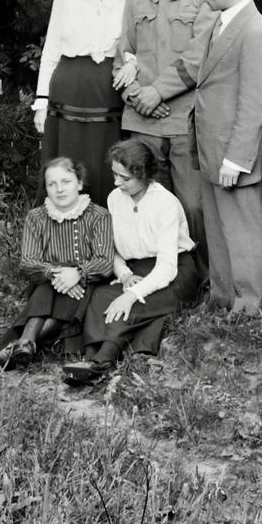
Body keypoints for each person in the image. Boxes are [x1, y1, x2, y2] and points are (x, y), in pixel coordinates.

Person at [111, 0, 211, 266]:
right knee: (148, 200)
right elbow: (122, 58)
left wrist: (158, 93)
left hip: (185, 119)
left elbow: (201, 58)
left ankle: (198, 274)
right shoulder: (135, 1)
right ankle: (158, 272)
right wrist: (137, 96)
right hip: (142, 121)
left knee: (193, 204)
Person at [62, 138, 201, 385]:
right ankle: (90, 360)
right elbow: (112, 247)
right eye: (115, 175)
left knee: (132, 303)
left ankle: (103, 359)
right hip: (136, 268)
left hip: (175, 270)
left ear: (144, 175)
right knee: (102, 296)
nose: (117, 183)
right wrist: (124, 274)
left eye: (124, 178)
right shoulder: (116, 198)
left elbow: (166, 268)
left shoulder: (165, 203)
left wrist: (132, 293)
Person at [188, 0, 262, 315]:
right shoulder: (221, 17)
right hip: (211, 144)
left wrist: (236, 159)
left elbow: (256, 103)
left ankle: (251, 304)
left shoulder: (255, 31)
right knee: (217, 225)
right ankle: (223, 297)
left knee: (242, 228)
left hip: (233, 151)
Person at [33, 0, 133, 205]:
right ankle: (60, 234)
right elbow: (51, 49)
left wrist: (132, 64)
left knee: (106, 156)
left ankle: (105, 229)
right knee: (67, 157)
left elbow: (135, 46)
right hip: (69, 84)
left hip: (107, 86)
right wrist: (42, 101)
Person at [0, 156, 115, 370]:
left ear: (79, 183)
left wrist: (78, 273)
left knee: (72, 292)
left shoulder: (99, 216)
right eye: (52, 184)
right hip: (47, 283)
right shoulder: (37, 217)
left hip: (86, 284)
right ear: (46, 188)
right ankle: (27, 343)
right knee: (46, 287)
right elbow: (29, 262)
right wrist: (56, 273)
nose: (59, 189)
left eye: (66, 182)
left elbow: (105, 262)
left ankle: (22, 343)